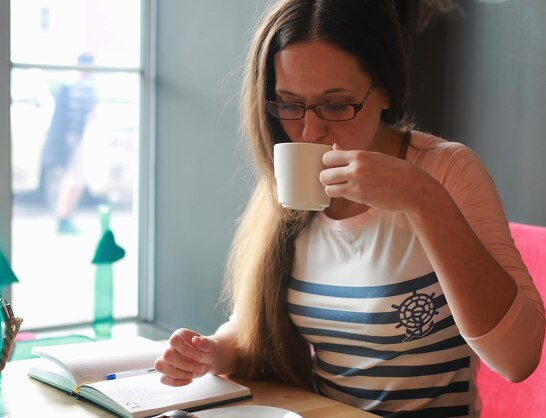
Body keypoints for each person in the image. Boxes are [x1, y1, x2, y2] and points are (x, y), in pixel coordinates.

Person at [154, 1, 545, 417]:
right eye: (289, 104)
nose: (310, 131)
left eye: (336, 105)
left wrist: (423, 198)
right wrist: (212, 352)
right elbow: (256, 323)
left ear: (387, 91)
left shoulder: (446, 171)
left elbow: (517, 359)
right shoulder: (290, 180)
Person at [42, 53, 98, 234]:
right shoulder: (80, 89)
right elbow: (80, 116)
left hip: (75, 138)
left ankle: (64, 217)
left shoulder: (75, 88)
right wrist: (73, 138)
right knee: (73, 180)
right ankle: (63, 217)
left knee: (73, 180)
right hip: (73, 139)